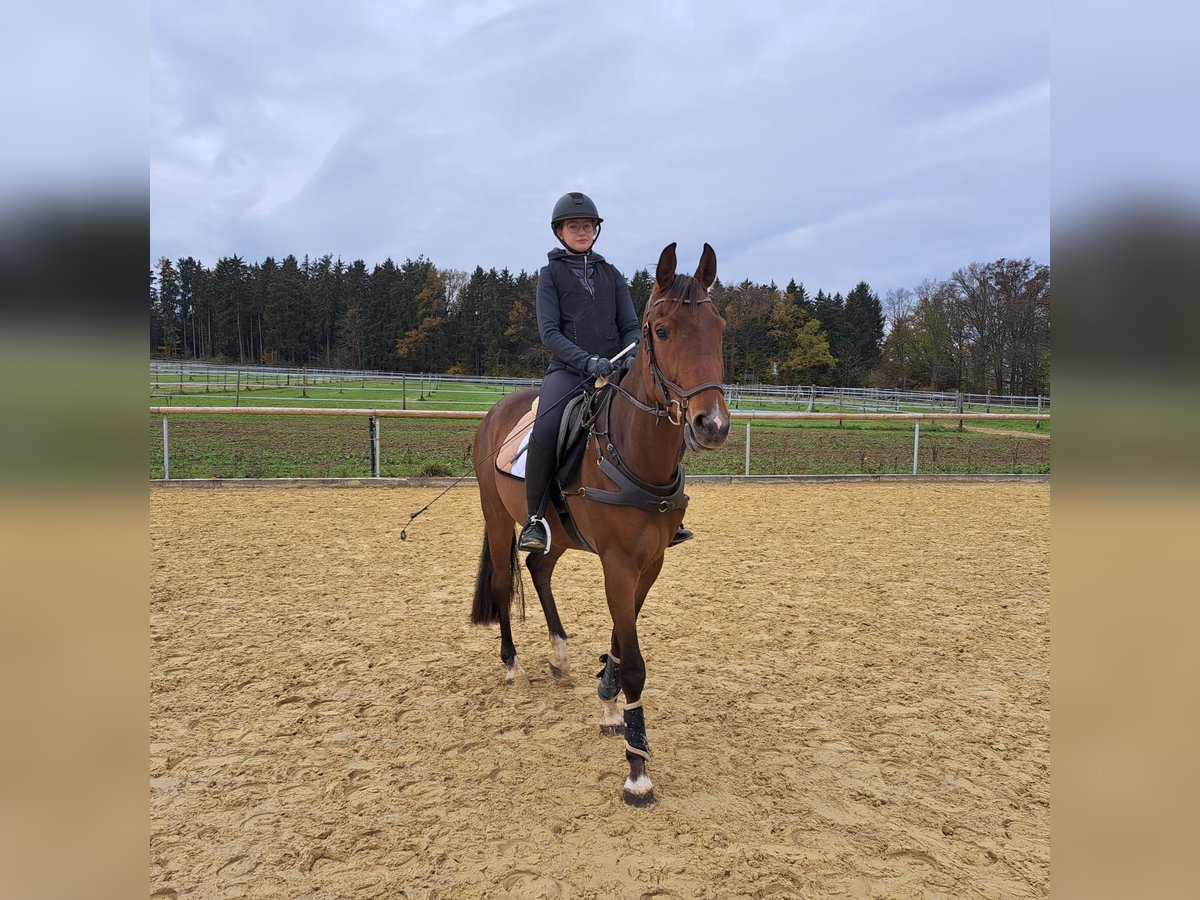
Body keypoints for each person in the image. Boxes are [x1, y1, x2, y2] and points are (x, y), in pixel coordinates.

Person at [518, 191, 694, 552]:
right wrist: (586, 361)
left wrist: (627, 358)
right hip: (569, 371)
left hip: (616, 369)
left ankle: (669, 510)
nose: (581, 232)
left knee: (663, 420)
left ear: (595, 231)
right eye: (573, 226)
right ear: (560, 232)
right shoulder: (549, 275)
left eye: (587, 226)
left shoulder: (611, 275)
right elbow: (550, 332)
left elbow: (631, 325)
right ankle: (535, 518)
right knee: (547, 429)